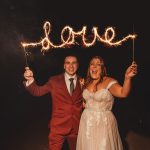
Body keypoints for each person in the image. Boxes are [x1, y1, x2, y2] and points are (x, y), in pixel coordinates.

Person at [76, 56, 137, 150]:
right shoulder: (86, 82)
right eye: (92, 64)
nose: (94, 66)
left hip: (103, 122)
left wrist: (127, 77)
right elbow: (85, 102)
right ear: (89, 68)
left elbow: (123, 93)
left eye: (98, 64)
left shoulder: (109, 81)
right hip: (86, 122)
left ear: (103, 68)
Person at [23, 55, 83, 150]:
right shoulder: (54, 81)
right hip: (58, 127)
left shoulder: (83, 81)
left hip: (77, 128)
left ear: (78, 65)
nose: (71, 66)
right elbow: (37, 91)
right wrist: (30, 79)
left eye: (74, 63)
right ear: (64, 66)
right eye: (68, 63)